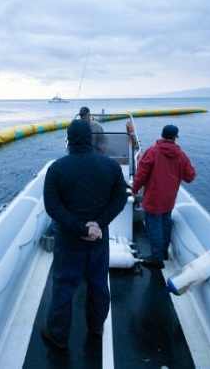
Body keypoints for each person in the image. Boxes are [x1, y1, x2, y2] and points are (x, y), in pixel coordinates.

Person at [42, 119, 128, 349]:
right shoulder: (110, 166)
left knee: (63, 288)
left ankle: (58, 336)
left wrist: (81, 228)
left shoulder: (57, 168)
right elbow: (120, 198)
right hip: (98, 244)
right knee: (99, 285)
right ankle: (96, 327)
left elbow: (53, 207)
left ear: (69, 140)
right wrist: (98, 224)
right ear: (91, 139)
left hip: (69, 243)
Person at [131, 124, 196, 269]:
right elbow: (190, 177)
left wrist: (134, 190)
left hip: (154, 198)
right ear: (175, 138)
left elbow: (141, 175)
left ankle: (156, 258)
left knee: (154, 227)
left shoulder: (153, 151)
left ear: (162, 135)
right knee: (165, 223)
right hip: (169, 198)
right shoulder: (181, 155)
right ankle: (164, 252)